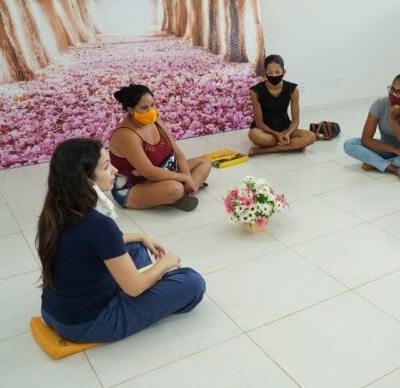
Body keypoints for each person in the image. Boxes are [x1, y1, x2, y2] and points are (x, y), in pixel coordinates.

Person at [37, 138, 206, 343]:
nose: (115, 170)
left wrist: (141, 236)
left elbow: (93, 242)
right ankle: (148, 284)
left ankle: (144, 281)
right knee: (192, 282)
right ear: (85, 179)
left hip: (53, 313)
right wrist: (165, 263)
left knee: (135, 247)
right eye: (107, 167)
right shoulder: (98, 224)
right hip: (86, 323)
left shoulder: (55, 211)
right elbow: (133, 288)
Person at [109, 84, 211, 211]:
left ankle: (184, 192)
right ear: (130, 110)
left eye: (152, 105)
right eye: (144, 108)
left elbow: (178, 154)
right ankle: (179, 192)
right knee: (175, 189)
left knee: (205, 162)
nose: (151, 110)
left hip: (164, 171)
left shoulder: (155, 120)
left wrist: (188, 178)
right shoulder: (126, 134)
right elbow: (149, 172)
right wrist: (184, 178)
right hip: (135, 184)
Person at [343, 73, 400, 180]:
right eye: (392, 89)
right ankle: (392, 168)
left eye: (399, 92)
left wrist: (393, 121)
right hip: (388, 148)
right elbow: (366, 139)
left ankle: (376, 163)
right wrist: (394, 150)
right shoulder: (379, 104)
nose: (394, 94)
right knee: (349, 144)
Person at [248, 54, 316, 156]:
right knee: (253, 135)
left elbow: (296, 120)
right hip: (265, 131)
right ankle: (292, 146)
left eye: (277, 72)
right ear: (265, 72)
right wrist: (277, 135)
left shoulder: (293, 89)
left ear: (283, 72)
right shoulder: (255, 91)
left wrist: (287, 134)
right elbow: (259, 123)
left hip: (285, 128)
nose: (274, 75)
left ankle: (263, 150)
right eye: (270, 73)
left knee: (311, 136)